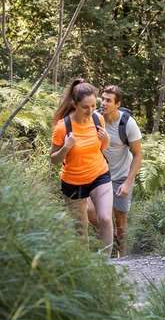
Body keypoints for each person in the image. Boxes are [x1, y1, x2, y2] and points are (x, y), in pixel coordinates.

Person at [50, 80, 114, 257]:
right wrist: (66, 147)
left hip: (99, 173)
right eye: (85, 107)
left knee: (105, 219)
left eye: (94, 105)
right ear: (74, 104)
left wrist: (106, 140)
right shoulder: (62, 127)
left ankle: (105, 265)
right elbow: (54, 160)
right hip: (73, 182)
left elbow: (99, 149)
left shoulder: (97, 118)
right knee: (81, 230)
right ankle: (86, 270)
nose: (91, 110)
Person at [86, 85, 142, 257]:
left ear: (118, 104)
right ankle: (109, 240)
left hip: (121, 177)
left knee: (120, 221)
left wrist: (127, 183)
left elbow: (138, 155)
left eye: (108, 100)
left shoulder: (128, 124)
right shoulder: (94, 119)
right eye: (102, 99)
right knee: (90, 211)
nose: (103, 103)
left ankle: (122, 256)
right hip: (99, 175)